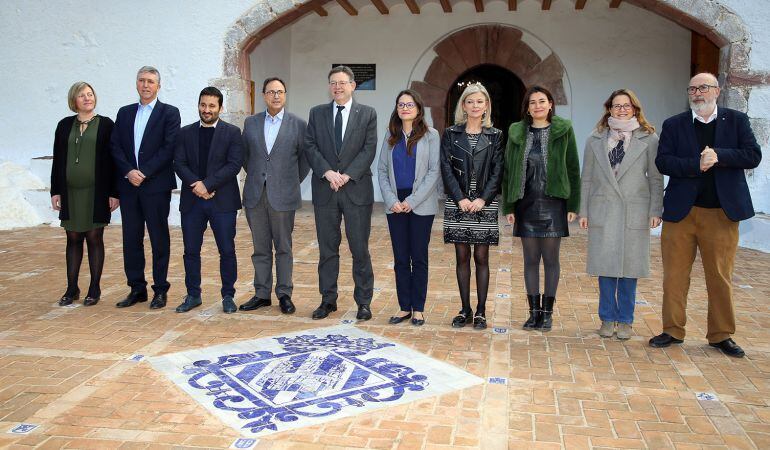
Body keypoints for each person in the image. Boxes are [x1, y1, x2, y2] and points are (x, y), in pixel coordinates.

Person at [649, 73, 762, 358]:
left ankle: (721, 335)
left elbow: (752, 155)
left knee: (720, 276)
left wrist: (719, 156)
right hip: (681, 213)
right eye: (693, 88)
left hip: (722, 214)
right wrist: (695, 165)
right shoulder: (674, 124)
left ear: (717, 91)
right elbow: (663, 161)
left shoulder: (736, 120)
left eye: (704, 87)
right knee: (674, 276)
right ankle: (672, 330)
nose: (698, 93)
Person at [578, 89, 663, 340]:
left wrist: (655, 209)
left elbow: (656, 179)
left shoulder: (649, 138)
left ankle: (625, 319)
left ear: (635, 109)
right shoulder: (595, 139)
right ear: (609, 109)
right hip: (603, 208)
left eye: (627, 106)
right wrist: (584, 210)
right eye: (617, 106)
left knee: (629, 268)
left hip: (633, 210)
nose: (622, 109)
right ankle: (606, 317)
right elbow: (587, 178)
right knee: (605, 267)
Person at [502, 86, 580, 332]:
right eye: (532, 102)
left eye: (542, 101)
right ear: (527, 107)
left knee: (551, 259)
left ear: (550, 105)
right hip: (526, 202)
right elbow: (508, 171)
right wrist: (508, 205)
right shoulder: (516, 132)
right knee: (530, 260)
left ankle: (547, 314)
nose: (537, 105)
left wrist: (574, 204)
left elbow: (573, 168)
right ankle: (533, 312)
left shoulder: (563, 130)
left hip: (554, 203)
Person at [304, 65, 378, 321]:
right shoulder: (317, 113)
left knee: (359, 249)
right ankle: (328, 300)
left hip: (355, 190)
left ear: (353, 86)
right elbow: (310, 145)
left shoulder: (367, 114)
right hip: (325, 189)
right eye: (333, 82)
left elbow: (369, 149)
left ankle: (364, 302)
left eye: (343, 82)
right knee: (327, 249)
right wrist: (327, 172)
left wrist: (346, 175)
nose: (337, 87)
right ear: (329, 86)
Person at [110, 66, 181, 309]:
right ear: (136, 84)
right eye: (141, 80)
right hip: (129, 186)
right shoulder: (125, 113)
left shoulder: (170, 113)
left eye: (151, 81)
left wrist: (145, 172)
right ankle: (136, 288)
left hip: (155, 186)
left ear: (158, 86)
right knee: (131, 238)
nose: (146, 85)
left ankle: (160, 289)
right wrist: (129, 171)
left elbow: (169, 147)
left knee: (159, 238)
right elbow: (116, 146)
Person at [240, 77, 309, 315]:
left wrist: (287, 182)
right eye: (271, 92)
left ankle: (284, 294)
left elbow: (304, 160)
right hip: (256, 195)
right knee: (260, 248)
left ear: (285, 95)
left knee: (283, 247)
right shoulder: (250, 123)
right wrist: (262, 178)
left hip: (284, 196)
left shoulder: (298, 125)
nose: (276, 96)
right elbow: (246, 157)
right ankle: (261, 293)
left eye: (280, 92)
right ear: (263, 95)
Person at [173, 87, 244, 314]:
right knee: (191, 251)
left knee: (227, 250)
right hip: (193, 201)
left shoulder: (232, 132)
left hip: (222, 201)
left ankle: (228, 296)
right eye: (203, 105)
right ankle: (193, 294)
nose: (207, 110)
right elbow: (179, 163)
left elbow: (234, 165)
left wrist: (208, 184)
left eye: (212, 106)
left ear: (220, 108)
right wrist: (197, 185)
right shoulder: (185, 133)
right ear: (198, 106)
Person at [440, 82, 503, 330]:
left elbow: (498, 170)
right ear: (463, 106)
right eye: (470, 101)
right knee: (462, 256)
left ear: (486, 105)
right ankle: (465, 308)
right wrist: (461, 198)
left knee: (481, 256)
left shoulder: (496, 135)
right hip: (459, 203)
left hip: (484, 204)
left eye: (480, 101)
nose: (475, 106)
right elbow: (446, 168)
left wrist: (482, 199)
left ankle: (480, 311)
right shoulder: (451, 134)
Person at [50, 82, 118, 307]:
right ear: (74, 100)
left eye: (90, 94)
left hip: (96, 192)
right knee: (73, 238)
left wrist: (114, 192)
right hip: (70, 192)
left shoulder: (107, 125)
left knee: (94, 237)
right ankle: (72, 288)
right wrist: (55, 190)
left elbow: (113, 161)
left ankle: (94, 288)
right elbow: (58, 159)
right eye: (82, 95)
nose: (87, 98)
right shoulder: (64, 125)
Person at [377, 89, 441, 326]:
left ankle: (419, 309)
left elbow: (434, 172)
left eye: (409, 104)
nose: (405, 108)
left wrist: (411, 201)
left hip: (421, 204)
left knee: (419, 257)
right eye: (401, 104)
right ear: (396, 109)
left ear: (418, 108)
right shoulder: (390, 135)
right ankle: (405, 306)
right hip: (395, 203)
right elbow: (382, 170)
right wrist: (392, 200)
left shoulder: (431, 135)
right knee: (401, 258)